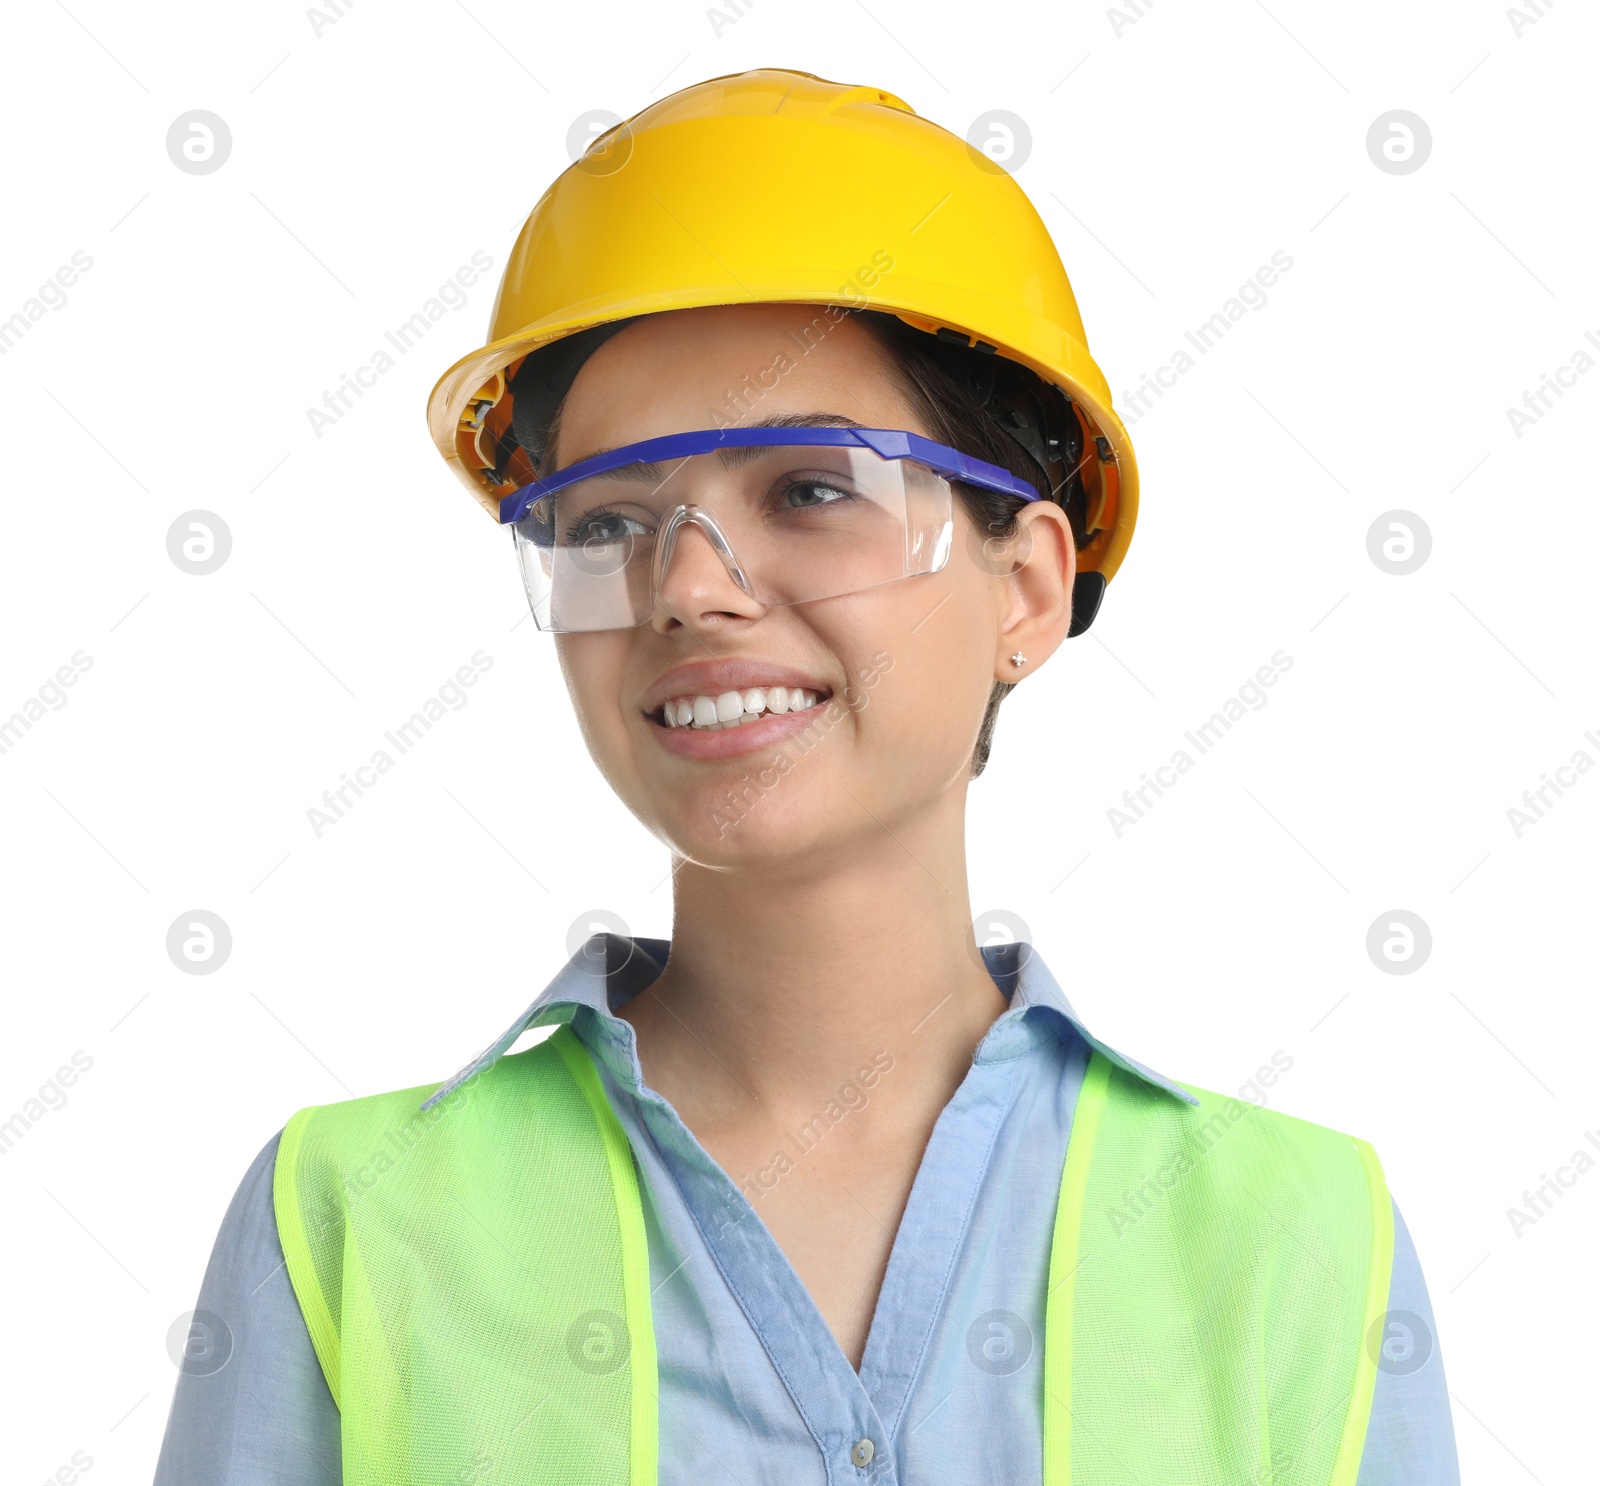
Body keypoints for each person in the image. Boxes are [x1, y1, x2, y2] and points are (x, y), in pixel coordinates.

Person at [154, 67, 1459, 1486]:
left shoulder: (1300, 1241)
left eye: (814, 489)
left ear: (1025, 587)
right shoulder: (348, 1225)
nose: (690, 588)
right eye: (610, 520)